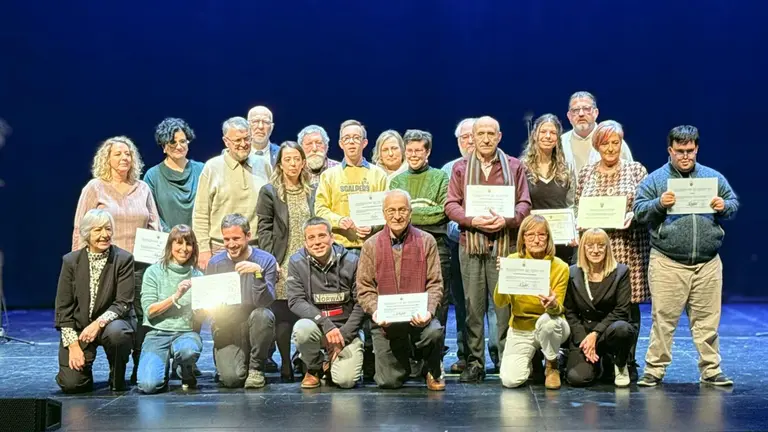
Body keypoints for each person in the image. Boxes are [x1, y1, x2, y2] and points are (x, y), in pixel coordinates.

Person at [633, 125, 738, 387]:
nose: (685, 156)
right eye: (680, 151)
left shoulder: (711, 178)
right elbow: (638, 211)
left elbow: (732, 204)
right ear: (670, 150)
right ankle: (654, 370)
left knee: (708, 321)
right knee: (663, 321)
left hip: (707, 263)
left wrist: (724, 206)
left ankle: (711, 369)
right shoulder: (656, 180)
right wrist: (659, 204)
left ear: (697, 149)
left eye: (690, 151)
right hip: (668, 262)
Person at [445, 116, 532, 382]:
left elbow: (524, 203)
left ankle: (505, 360)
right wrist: (472, 220)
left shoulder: (514, 166)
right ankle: (475, 362)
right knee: (472, 306)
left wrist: (505, 219)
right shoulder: (460, 168)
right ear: (472, 137)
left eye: (490, 133)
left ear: (499, 136)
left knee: (503, 307)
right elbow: (451, 205)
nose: (484, 138)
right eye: (479, 133)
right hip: (470, 244)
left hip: (505, 244)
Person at [72, 135, 161, 384]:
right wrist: (79, 265)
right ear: (107, 160)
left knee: (143, 318)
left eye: (128, 154)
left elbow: (156, 226)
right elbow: (81, 228)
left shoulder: (142, 188)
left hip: (141, 266)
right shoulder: (95, 188)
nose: (124, 158)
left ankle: (140, 365)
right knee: (113, 317)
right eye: (117, 154)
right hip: (105, 266)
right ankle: (101, 363)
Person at [574, 120, 649, 380]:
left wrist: (633, 215)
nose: (610, 148)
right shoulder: (586, 173)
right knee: (595, 304)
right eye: (605, 143)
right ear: (597, 145)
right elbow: (577, 209)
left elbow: (645, 206)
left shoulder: (636, 170)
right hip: (595, 251)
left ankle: (627, 360)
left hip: (627, 247)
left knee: (629, 306)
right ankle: (599, 356)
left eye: (615, 142)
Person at [314, 119, 388, 379]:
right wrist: (340, 221)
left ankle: (373, 358)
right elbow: (320, 209)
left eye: (357, 138)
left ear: (365, 142)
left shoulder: (378, 175)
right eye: (347, 138)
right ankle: (342, 352)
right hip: (341, 251)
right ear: (340, 143)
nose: (353, 142)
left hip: (371, 249)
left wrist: (375, 223)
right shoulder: (330, 176)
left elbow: (388, 210)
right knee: (346, 306)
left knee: (371, 302)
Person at [356, 190, 446, 391]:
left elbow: (435, 284)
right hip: (387, 322)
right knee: (388, 382)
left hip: (418, 319)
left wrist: (428, 311)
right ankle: (408, 363)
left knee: (434, 332)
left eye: (402, 210)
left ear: (410, 212)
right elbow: (364, 288)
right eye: (392, 210)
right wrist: (376, 311)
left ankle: (432, 367)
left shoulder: (426, 241)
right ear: (384, 213)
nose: (397, 216)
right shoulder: (370, 245)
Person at [389, 129, 451, 372]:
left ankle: (435, 359)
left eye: (419, 150)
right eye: (410, 150)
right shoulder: (397, 181)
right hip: (402, 247)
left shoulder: (440, 177)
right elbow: (393, 218)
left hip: (437, 246)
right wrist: (423, 210)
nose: (413, 155)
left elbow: (443, 212)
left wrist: (409, 213)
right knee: (405, 300)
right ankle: (411, 357)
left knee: (439, 301)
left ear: (428, 152)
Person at [55, 209, 135, 393]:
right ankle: (84, 370)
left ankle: (117, 375)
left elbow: (123, 302)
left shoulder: (123, 259)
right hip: (80, 328)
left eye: (108, 229)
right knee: (72, 384)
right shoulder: (71, 261)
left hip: (112, 323)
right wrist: (74, 346)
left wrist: (98, 324)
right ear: (86, 234)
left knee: (118, 333)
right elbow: (63, 308)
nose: (104, 235)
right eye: (97, 230)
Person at [256, 141, 315, 381]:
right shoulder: (269, 191)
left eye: (296, 159)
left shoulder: (312, 189)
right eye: (287, 159)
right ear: (280, 164)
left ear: (303, 162)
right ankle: (285, 363)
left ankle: (302, 360)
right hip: (282, 259)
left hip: (308, 259)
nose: (292, 163)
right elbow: (264, 229)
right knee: (283, 313)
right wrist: (272, 262)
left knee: (305, 311)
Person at [286, 217, 365, 389]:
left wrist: (343, 336)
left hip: (345, 331)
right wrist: (325, 323)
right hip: (317, 328)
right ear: (305, 242)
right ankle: (313, 367)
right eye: (311, 238)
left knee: (345, 381)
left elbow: (361, 303)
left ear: (332, 237)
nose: (317, 242)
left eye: (322, 236)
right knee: (302, 329)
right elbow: (295, 300)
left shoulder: (352, 262)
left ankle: (329, 364)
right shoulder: (296, 262)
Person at [493, 215, 570, 390]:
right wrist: (502, 278)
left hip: (552, 323)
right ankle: (531, 360)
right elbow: (500, 302)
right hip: (521, 327)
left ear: (548, 238)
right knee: (510, 380)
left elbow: (558, 309)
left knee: (547, 323)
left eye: (542, 235)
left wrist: (552, 305)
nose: (536, 240)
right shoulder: (512, 261)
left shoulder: (560, 266)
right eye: (531, 235)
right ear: (523, 238)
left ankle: (552, 364)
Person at [204, 213, 277, 388]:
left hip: (255, 323)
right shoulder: (215, 263)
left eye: (236, 238)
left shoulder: (266, 261)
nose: (231, 244)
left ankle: (256, 368)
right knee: (232, 380)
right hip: (228, 327)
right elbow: (208, 301)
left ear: (248, 236)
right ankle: (230, 358)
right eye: (226, 239)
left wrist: (258, 274)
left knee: (263, 315)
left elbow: (265, 302)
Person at [193, 117, 271, 269]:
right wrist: (202, 250)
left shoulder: (263, 164)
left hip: (256, 247)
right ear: (226, 141)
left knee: (256, 292)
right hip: (221, 249)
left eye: (247, 139)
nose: (243, 144)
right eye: (237, 140)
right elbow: (201, 213)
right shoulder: (212, 167)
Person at [564, 228, 636, 388]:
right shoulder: (572, 272)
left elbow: (621, 310)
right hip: (584, 333)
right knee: (578, 378)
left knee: (623, 329)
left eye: (601, 246)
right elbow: (569, 311)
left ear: (607, 248)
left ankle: (620, 362)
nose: (595, 250)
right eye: (590, 245)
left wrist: (595, 334)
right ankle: (597, 363)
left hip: (609, 332)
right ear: (582, 248)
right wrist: (584, 339)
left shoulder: (621, 272)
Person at [137, 225, 204, 393]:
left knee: (188, 351)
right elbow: (150, 311)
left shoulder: (198, 276)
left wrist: (208, 307)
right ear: (170, 246)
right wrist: (176, 296)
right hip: (157, 334)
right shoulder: (153, 272)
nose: (184, 249)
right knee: (149, 386)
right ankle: (164, 366)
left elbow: (201, 314)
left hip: (186, 333)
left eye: (189, 244)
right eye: (179, 243)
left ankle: (184, 367)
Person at [441, 117, 476, 374]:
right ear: (458, 141)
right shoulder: (448, 169)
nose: (470, 141)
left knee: (495, 304)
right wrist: (464, 228)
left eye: (474, 135)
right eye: (464, 137)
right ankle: (466, 355)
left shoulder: (502, 166)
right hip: (458, 244)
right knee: (465, 303)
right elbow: (446, 211)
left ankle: (498, 355)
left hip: (495, 242)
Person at [520, 114, 578, 263]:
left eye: (552, 133)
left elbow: (573, 205)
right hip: (533, 241)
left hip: (561, 242)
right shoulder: (522, 168)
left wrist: (573, 231)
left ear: (558, 138)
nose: (548, 136)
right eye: (543, 131)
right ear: (534, 135)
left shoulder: (566, 169)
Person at [143, 117, 205, 232]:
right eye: (172, 142)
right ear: (163, 146)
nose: (179, 146)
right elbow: (151, 213)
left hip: (200, 240)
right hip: (167, 241)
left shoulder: (202, 169)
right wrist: (173, 236)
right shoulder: (152, 176)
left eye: (182, 141)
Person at [561, 91, 633, 176]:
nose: (581, 114)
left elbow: (631, 174)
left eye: (586, 109)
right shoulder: (561, 143)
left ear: (596, 113)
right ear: (569, 116)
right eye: (576, 110)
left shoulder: (613, 139)